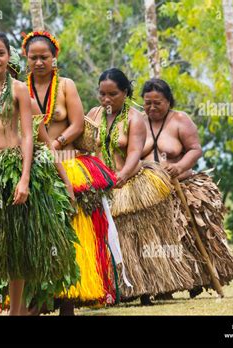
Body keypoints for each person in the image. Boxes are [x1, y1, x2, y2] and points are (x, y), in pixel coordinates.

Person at [0, 31, 79, 316]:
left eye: (1, 53)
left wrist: (24, 178)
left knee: (16, 245)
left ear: (9, 56)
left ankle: (16, 311)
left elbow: (29, 136)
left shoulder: (18, 90)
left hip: (13, 168)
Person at [22, 31, 119, 315]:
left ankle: (69, 299)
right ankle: (38, 297)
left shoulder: (65, 85)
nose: (39, 62)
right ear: (26, 58)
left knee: (74, 232)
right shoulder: (19, 88)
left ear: (55, 58)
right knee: (38, 233)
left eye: (44, 57)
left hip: (69, 162)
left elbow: (77, 124)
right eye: (33, 57)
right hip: (36, 167)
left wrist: (56, 143)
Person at [87, 68, 195, 305]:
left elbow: (135, 153)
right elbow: (84, 145)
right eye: (102, 94)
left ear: (125, 92)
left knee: (134, 237)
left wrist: (120, 177)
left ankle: (145, 288)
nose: (106, 99)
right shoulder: (94, 114)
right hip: (99, 184)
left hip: (128, 181)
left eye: (112, 94)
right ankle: (109, 289)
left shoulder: (135, 118)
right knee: (104, 236)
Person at [141, 78, 233, 298]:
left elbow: (195, 149)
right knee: (154, 241)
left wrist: (179, 166)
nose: (152, 107)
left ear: (168, 101)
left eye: (158, 102)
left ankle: (198, 279)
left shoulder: (180, 120)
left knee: (186, 235)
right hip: (149, 190)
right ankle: (159, 284)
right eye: (147, 102)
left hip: (182, 185)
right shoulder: (139, 122)